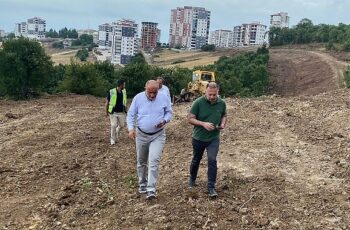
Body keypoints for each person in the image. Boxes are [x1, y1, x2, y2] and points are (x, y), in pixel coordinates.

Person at [127, 80, 173, 200]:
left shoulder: (164, 98)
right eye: (150, 92)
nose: (152, 95)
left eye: (155, 92)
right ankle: (142, 183)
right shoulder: (138, 98)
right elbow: (131, 114)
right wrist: (131, 129)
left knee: (154, 161)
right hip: (141, 135)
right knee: (141, 161)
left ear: (158, 89)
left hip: (158, 135)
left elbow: (169, 112)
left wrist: (164, 120)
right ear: (145, 89)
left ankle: (151, 189)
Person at [187, 82, 227, 198]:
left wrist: (223, 124)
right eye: (210, 94)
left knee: (212, 160)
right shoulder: (198, 103)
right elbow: (190, 119)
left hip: (213, 138)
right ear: (205, 91)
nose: (212, 97)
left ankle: (211, 187)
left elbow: (224, 115)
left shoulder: (222, 103)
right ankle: (192, 178)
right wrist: (203, 124)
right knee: (196, 159)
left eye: (214, 95)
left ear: (218, 92)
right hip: (198, 138)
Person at [106, 79, 127, 145]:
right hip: (113, 112)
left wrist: (126, 109)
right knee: (113, 125)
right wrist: (106, 112)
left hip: (121, 112)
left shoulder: (124, 91)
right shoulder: (112, 91)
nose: (125, 85)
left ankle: (117, 131)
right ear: (121, 85)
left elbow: (125, 101)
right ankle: (112, 139)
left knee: (122, 125)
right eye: (124, 84)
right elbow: (107, 102)